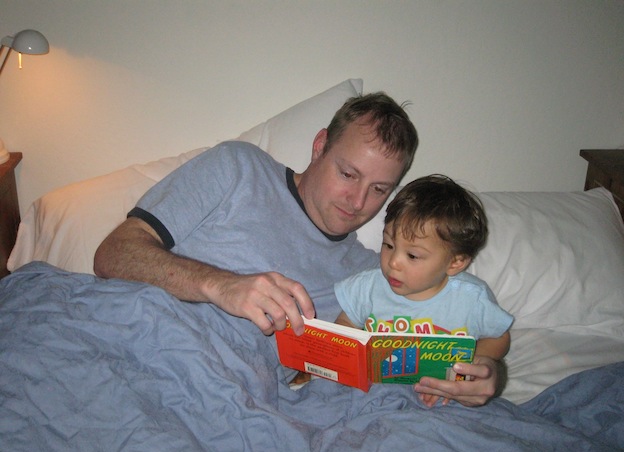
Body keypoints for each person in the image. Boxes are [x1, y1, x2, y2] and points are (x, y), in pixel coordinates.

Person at [94, 93, 503, 406]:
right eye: (348, 174)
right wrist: (221, 286)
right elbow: (113, 254)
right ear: (320, 145)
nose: (358, 201)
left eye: (379, 189)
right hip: (126, 338)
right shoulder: (239, 167)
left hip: (223, 395)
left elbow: (432, 350)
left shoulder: (373, 279)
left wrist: (489, 375)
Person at [330, 175, 513, 407]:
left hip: (439, 400)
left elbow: (500, 337)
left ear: (455, 262)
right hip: (374, 395)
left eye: (413, 255)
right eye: (388, 245)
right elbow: (344, 324)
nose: (393, 262)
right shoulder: (367, 286)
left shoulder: (471, 297)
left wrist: (473, 361)